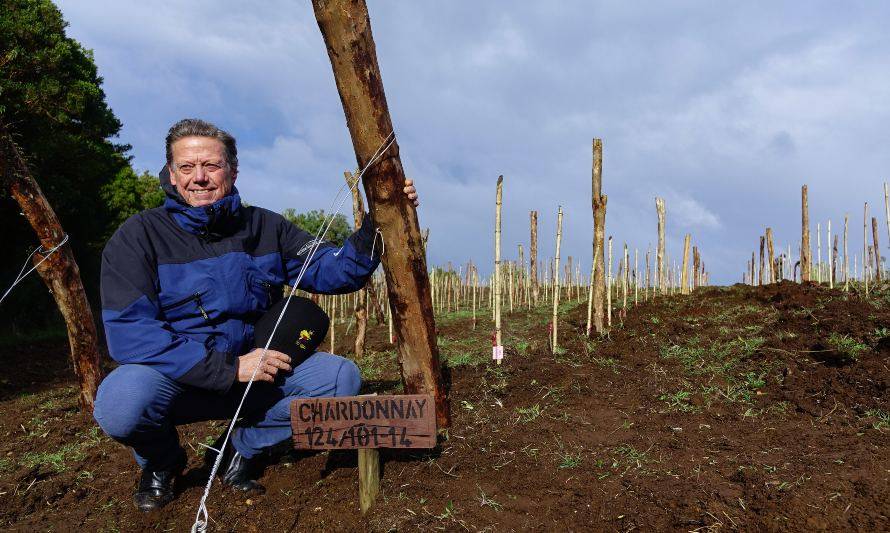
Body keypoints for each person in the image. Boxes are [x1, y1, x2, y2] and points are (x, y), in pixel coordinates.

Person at [93, 118, 418, 512]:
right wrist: (227, 369)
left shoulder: (266, 226)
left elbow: (333, 270)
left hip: (260, 373)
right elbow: (131, 333)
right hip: (179, 379)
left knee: (339, 379)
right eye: (187, 167)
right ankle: (162, 462)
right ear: (172, 174)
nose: (200, 177)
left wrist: (378, 220)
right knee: (120, 403)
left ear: (232, 169)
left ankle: (242, 445)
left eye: (211, 166)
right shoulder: (138, 236)